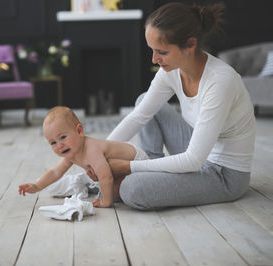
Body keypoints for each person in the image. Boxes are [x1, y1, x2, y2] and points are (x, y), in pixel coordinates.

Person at [92, 2, 255, 210]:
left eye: (161, 52)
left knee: (132, 189)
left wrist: (128, 167)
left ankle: (141, 174)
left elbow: (194, 160)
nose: (154, 59)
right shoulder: (170, 71)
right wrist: (98, 157)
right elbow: (138, 117)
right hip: (198, 150)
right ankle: (149, 166)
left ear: (190, 44)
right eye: (151, 50)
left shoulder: (220, 81)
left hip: (223, 174)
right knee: (145, 101)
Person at [18, 106, 148, 208]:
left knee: (110, 191)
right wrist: (37, 186)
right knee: (107, 187)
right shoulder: (72, 153)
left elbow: (105, 176)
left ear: (79, 131)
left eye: (63, 137)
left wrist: (106, 202)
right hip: (117, 171)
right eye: (53, 143)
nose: (60, 145)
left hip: (137, 161)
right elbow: (55, 172)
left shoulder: (91, 149)